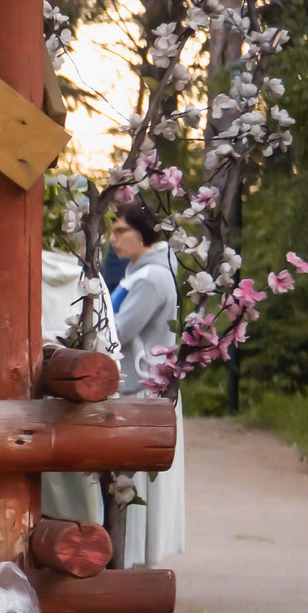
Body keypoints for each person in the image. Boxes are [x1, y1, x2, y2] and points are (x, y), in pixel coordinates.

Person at [106, 200, 184, 562]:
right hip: (136, 389)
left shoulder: (152, 278)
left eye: (121, 231)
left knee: (136, 485)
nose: (113, 239)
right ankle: (130, 556)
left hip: (142, 392)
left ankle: (135, 559)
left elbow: (118, 330)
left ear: (144, 233)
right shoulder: (140, 272)